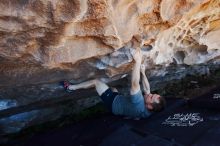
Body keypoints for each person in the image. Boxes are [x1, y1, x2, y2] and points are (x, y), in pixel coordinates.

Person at [62, 48, 166, 118]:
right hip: (120, 103)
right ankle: (107, 92)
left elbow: (135, 84)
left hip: (113, 104)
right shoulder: (150, 110)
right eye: (154, 94)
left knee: (96, 82)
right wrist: (143, 73)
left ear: (149, 106)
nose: (150, 94)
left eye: (151, 97)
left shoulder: (139, 105)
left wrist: (138, 61)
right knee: (113, 89)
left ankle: (71, 88)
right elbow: (147, 89)